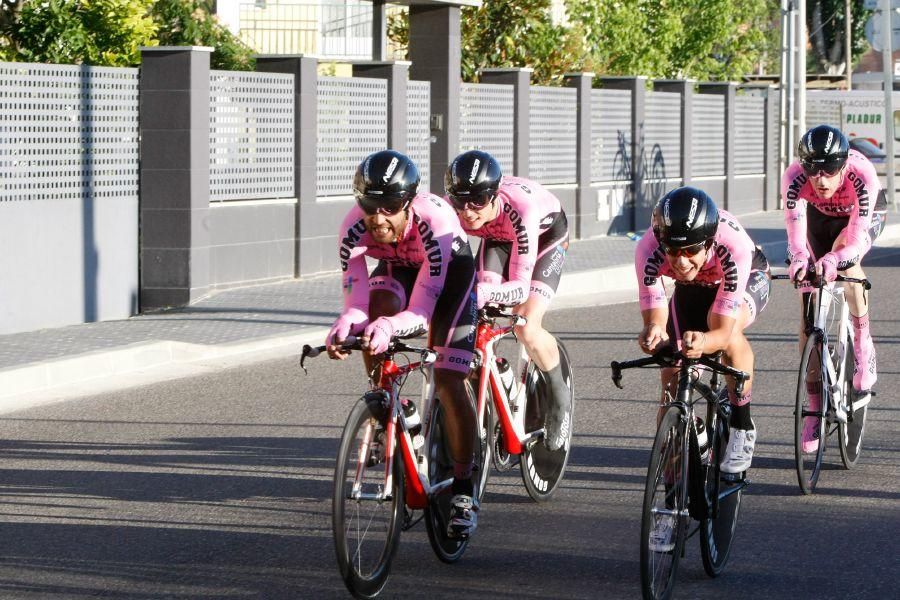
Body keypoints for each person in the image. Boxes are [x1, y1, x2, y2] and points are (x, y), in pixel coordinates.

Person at [326, 149, 480, 539]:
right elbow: (356, 303)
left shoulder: (436, 222)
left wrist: (390, 327)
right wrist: (347, 323)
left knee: (447, 378)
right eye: (369, 206)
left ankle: (464, 488)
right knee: (373, 319)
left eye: (390, 207)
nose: (378, 218)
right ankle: (386, 406)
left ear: (408, 204)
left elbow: (423, 311)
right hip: (397, 270)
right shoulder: (353, 228)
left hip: (448, 279)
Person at [635, 186, 771, 476]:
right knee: (671, 383)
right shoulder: (648, 247)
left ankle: (742, 425)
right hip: (692, 289)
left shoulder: (730, 247)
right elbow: (655, 313)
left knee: (726, 333)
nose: (681, 261)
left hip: (744, 281)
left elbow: (720, 331)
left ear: (709, 242)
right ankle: (671, 505)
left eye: (691, 250)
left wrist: (704, 341)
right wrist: (654, 333)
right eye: (672, 251)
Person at [444, 150, 571, 452]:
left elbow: (518, 287)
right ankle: (494, 376)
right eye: (460, 201)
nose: (468, 211)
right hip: (498, 237)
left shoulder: (521, 209)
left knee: (525, 322)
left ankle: (558, 392)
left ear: (494, 195)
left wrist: (484, 293)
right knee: (476, 309)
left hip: (544, 236)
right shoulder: (454, 209)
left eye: (477, 201)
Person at [782, 125, 886, 453]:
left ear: (843, 164)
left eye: (829, 170)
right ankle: (814, 403)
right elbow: (795, 237)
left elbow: (854, 240)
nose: (821, 179)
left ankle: (863, 343)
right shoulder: (794, 178)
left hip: (858, 221)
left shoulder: (862, 174)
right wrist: (799, 259)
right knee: (806, 304)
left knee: (846, 264)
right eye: (813, 170)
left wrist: (837, 258)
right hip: (818, 217)